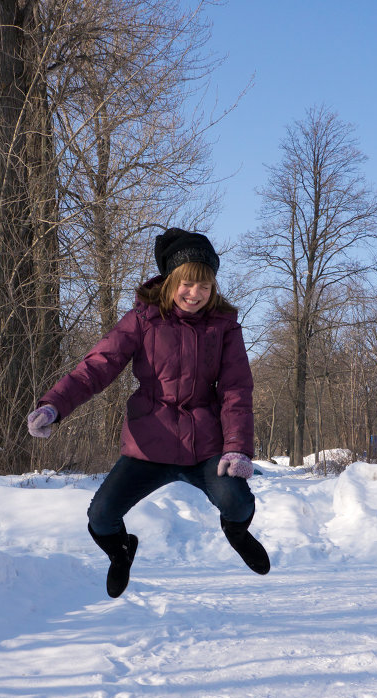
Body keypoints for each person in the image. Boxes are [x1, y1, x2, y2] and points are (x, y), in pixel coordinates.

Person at [26, 227, 270, 598]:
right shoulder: (142, 319)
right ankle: (122, 552)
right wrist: (53, 405)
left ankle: (236, 533)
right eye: (188, 283)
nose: (195, 293)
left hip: (204, 445)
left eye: (204, 286)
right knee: (101, 516)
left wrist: (236, 446)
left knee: (238, 502)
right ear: (171, 280)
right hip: (149, 445)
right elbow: (97, 366)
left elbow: (237, 389)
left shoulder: (223, 327)